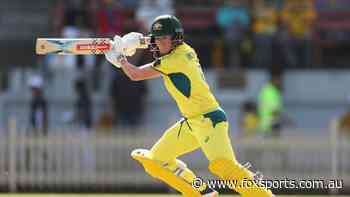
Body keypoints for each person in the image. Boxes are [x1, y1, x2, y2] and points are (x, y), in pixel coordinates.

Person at [104, 15, 274, 197]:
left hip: (209, 120)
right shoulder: (183, 49)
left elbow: (136, 74)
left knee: (224, 166)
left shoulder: (174, 61)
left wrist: (121, 58)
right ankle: (202, 191)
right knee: (155, 161)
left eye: (163, 38)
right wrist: (138, 41)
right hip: (191, 122)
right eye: (156, 38)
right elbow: (160, 40)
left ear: (175, 38)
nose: (158, 43)